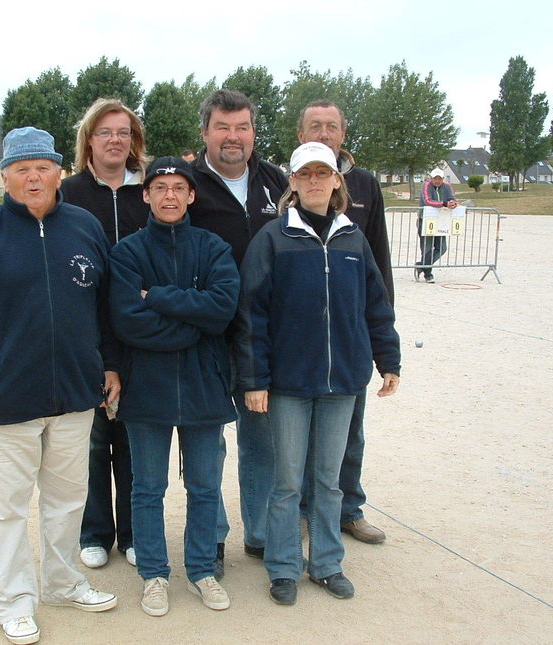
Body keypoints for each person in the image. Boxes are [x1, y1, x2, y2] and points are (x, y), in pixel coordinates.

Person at [0, 127, 118, 645]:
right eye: (21, 169)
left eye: (42, 167)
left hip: (75, 396)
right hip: (6, 400)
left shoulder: (84, 227)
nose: (33, 178)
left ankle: (62, 583)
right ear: (6, 176)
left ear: (59, 172)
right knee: (6, 509)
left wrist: (107, 364)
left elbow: (107, 306)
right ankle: (14, 600)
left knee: (67, 500)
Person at [234, 141, 401, 606]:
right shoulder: (273, 238)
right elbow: (252, 314)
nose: (313, 181)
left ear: (335, 182)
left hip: (342, 382)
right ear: (292, 182)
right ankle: (283, 566)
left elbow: (375, 306)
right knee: (287, 481)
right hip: (288, 384)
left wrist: (388, 360)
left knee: (328, 481)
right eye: (304, 174)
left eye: (322, 174)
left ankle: (326, 564)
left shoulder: (353, 239)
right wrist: (255, 380)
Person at [108, 157, 240, 617]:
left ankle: (202, 569)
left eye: (178, 187)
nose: (169, 196)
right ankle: (154, 574)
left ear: (191, 195)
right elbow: (128, 320)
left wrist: (160, 297)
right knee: (147, 488)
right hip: (147, 386)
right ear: (145, 195)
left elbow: (222, 309)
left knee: (204, 487)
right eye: (160, 188)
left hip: (205, 385)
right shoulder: (127, 253)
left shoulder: (214, 247)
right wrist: (193, 325)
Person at [187, 89, 288, 574]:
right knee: (208, 443)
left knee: (262, 439)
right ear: (205, 132)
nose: (233, 137)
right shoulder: (187, 184)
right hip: (207, 335)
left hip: (264, 338)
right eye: (223, 127)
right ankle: (212, 536)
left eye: (242, 127)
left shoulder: (276, 183)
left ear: (253, 132)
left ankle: (262, 532)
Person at [297, 100, 393, 545]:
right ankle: (303, 511)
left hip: (349, 334)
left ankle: (348, 509)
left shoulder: (366, 185)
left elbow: (379, 262)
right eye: (315, 126)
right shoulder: (293, 181)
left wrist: (382, 336)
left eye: (331, 126)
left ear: (343, 134)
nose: (323, 132)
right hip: (303, 334)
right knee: (299, 433)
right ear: (301, 135)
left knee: (350, 430)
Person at [61, 98, 150, 571]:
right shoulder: (69, 193)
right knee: (93, 440)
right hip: (86, 333)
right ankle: (94, 531)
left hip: (139, 334)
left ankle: (133, 533)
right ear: (89, 140)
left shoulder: (149, 191)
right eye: (105, 132)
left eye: (123, 132)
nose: (115, 140)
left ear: (133, 141)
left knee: (133, 438)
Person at [416, 168, 457, 283]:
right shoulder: (426, 186)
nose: (437, 181)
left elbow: (452, 198)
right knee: (427, 248)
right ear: (431, 178)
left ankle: (421, 265)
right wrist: (444, 203)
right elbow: (427, 201)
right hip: (426, 220)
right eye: (435, 178)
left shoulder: (447, 186)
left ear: (443, 179)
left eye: (440, 178)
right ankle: (428, 274)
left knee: (442, 248)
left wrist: (453, 203)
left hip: (441, 221)